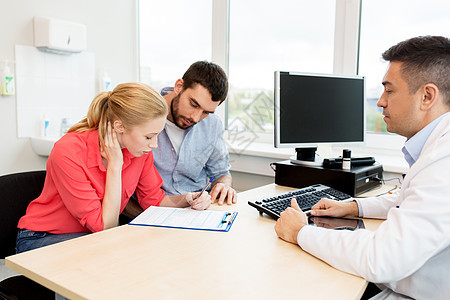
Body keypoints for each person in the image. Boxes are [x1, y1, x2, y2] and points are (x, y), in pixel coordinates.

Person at [274, 35, 450, 299]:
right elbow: (407, 200)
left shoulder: (443, 161)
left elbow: (382, 258)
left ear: (426, 96)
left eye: (389, 90)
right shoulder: (437, 148)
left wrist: (301, 232)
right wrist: (352, 207)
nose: (380, 101)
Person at [16, 83, 211, 253]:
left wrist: (187, 198)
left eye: (157, 135)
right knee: (118, 254)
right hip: (41, 239)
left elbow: (155, 201)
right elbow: (105, 228)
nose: (155, 145)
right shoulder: (68, 152)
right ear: (119, 127)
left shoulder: (138, 151)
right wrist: (115, 166)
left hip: (93, 239)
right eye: (149, 136)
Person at [153, 61, 237, 205]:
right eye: (194, 104)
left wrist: (224, 186)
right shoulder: (145, 115)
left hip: (197, 210)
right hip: (154, 210)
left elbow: (221, 173)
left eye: (206, 112)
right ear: (179, 86)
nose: (196, 118)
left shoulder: (212, 124)